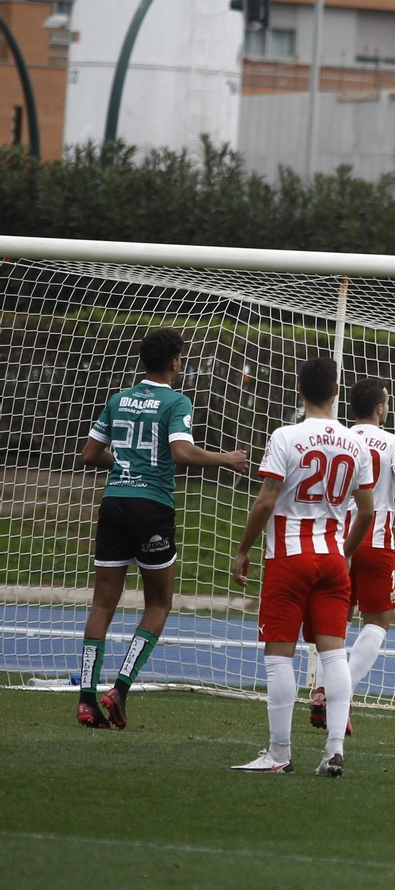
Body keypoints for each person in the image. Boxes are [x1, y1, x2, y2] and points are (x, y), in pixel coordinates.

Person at [75, 328, 248, 730]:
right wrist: (227, 458)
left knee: (103, 603)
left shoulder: (118, 399)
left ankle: (85, 699)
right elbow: (181, 452)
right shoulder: (176, 400)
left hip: (114, 503)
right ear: (174, 362)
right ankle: (118, 690)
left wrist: (125, 468)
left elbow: (88, 454)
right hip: (151, 507)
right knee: (158, 603)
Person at [229, 356, 375, 777]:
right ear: (335, 390)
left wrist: (243, 549)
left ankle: (278, 753)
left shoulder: (285, 436)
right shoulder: (355, 443)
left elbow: (266, 500)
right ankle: (332, 751)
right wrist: (345, 552)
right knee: (334, 656)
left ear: (299, 388)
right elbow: (365, 512)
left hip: (288, 557)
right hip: (332, 556)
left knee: (279, 655)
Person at [305, 377, 395, 736]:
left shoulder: (340, 438)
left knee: (335, 621)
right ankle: (339, 693)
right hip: (375, 540)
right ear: (379, 407)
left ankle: (322, 690)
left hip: (339, 540)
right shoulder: (393, 442)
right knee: (378, 620)